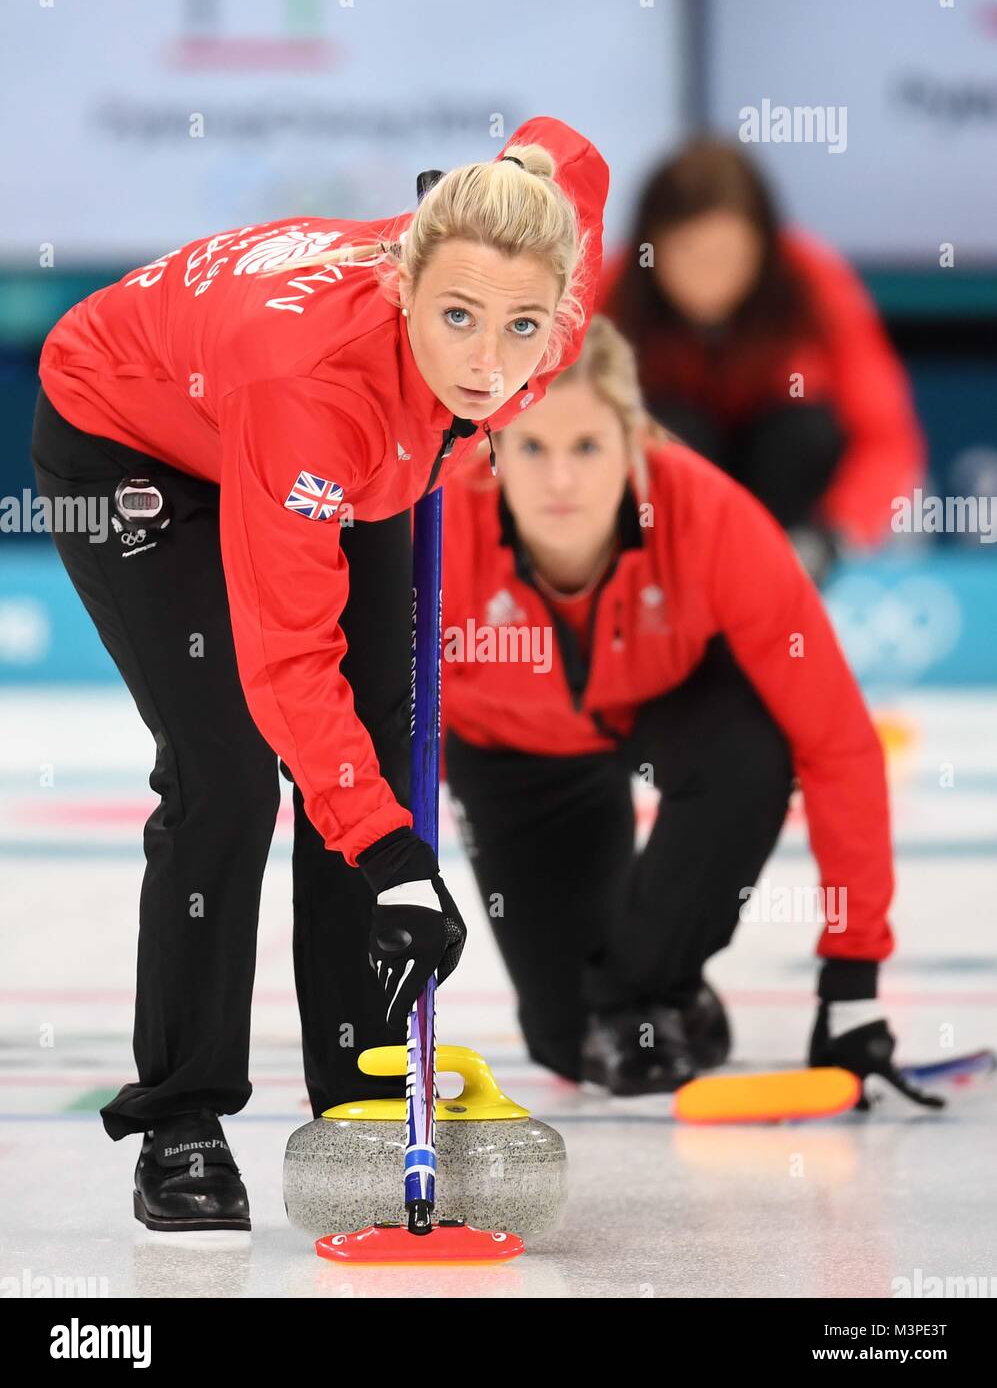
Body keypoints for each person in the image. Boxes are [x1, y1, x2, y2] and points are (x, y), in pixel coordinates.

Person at [31, 116, 610, 1230]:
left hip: (348, 430)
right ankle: (180, 1117)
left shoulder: (539, 297)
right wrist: (396, 863)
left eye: (521, 326)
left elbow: (566, 151)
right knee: (226, 768)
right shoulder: (312, 394)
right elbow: (288, 662)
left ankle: (359, 1087)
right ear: (403, 287)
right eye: (457, 316)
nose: (488, 364)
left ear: (559, 308)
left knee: (375, 746)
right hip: (134, 428)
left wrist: (517, 172)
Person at [438, 314, 941, 1111]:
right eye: (531, 447)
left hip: (667, 705)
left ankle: (651, 991)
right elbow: (372, 715)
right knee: (570, 1044)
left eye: (587, 447)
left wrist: (852, 979)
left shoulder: (710, 518)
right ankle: (662, 1009)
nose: (560, 479)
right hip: (511, 747)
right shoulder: (435, 530)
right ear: (488, 445)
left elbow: (839, 745)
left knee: (749, 753)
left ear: (635, 439)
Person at [596, 138, 925, 584]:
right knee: (668, 432)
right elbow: (561, 425)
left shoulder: (813, 282)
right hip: (667, 534)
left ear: (763, 247)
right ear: (649, 248)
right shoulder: (613, 294)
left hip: (794, 519)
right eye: (688, 253)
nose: (709, 278)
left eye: (728, 256)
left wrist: (834, 535)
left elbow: (884, 437)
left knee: (801, 433)